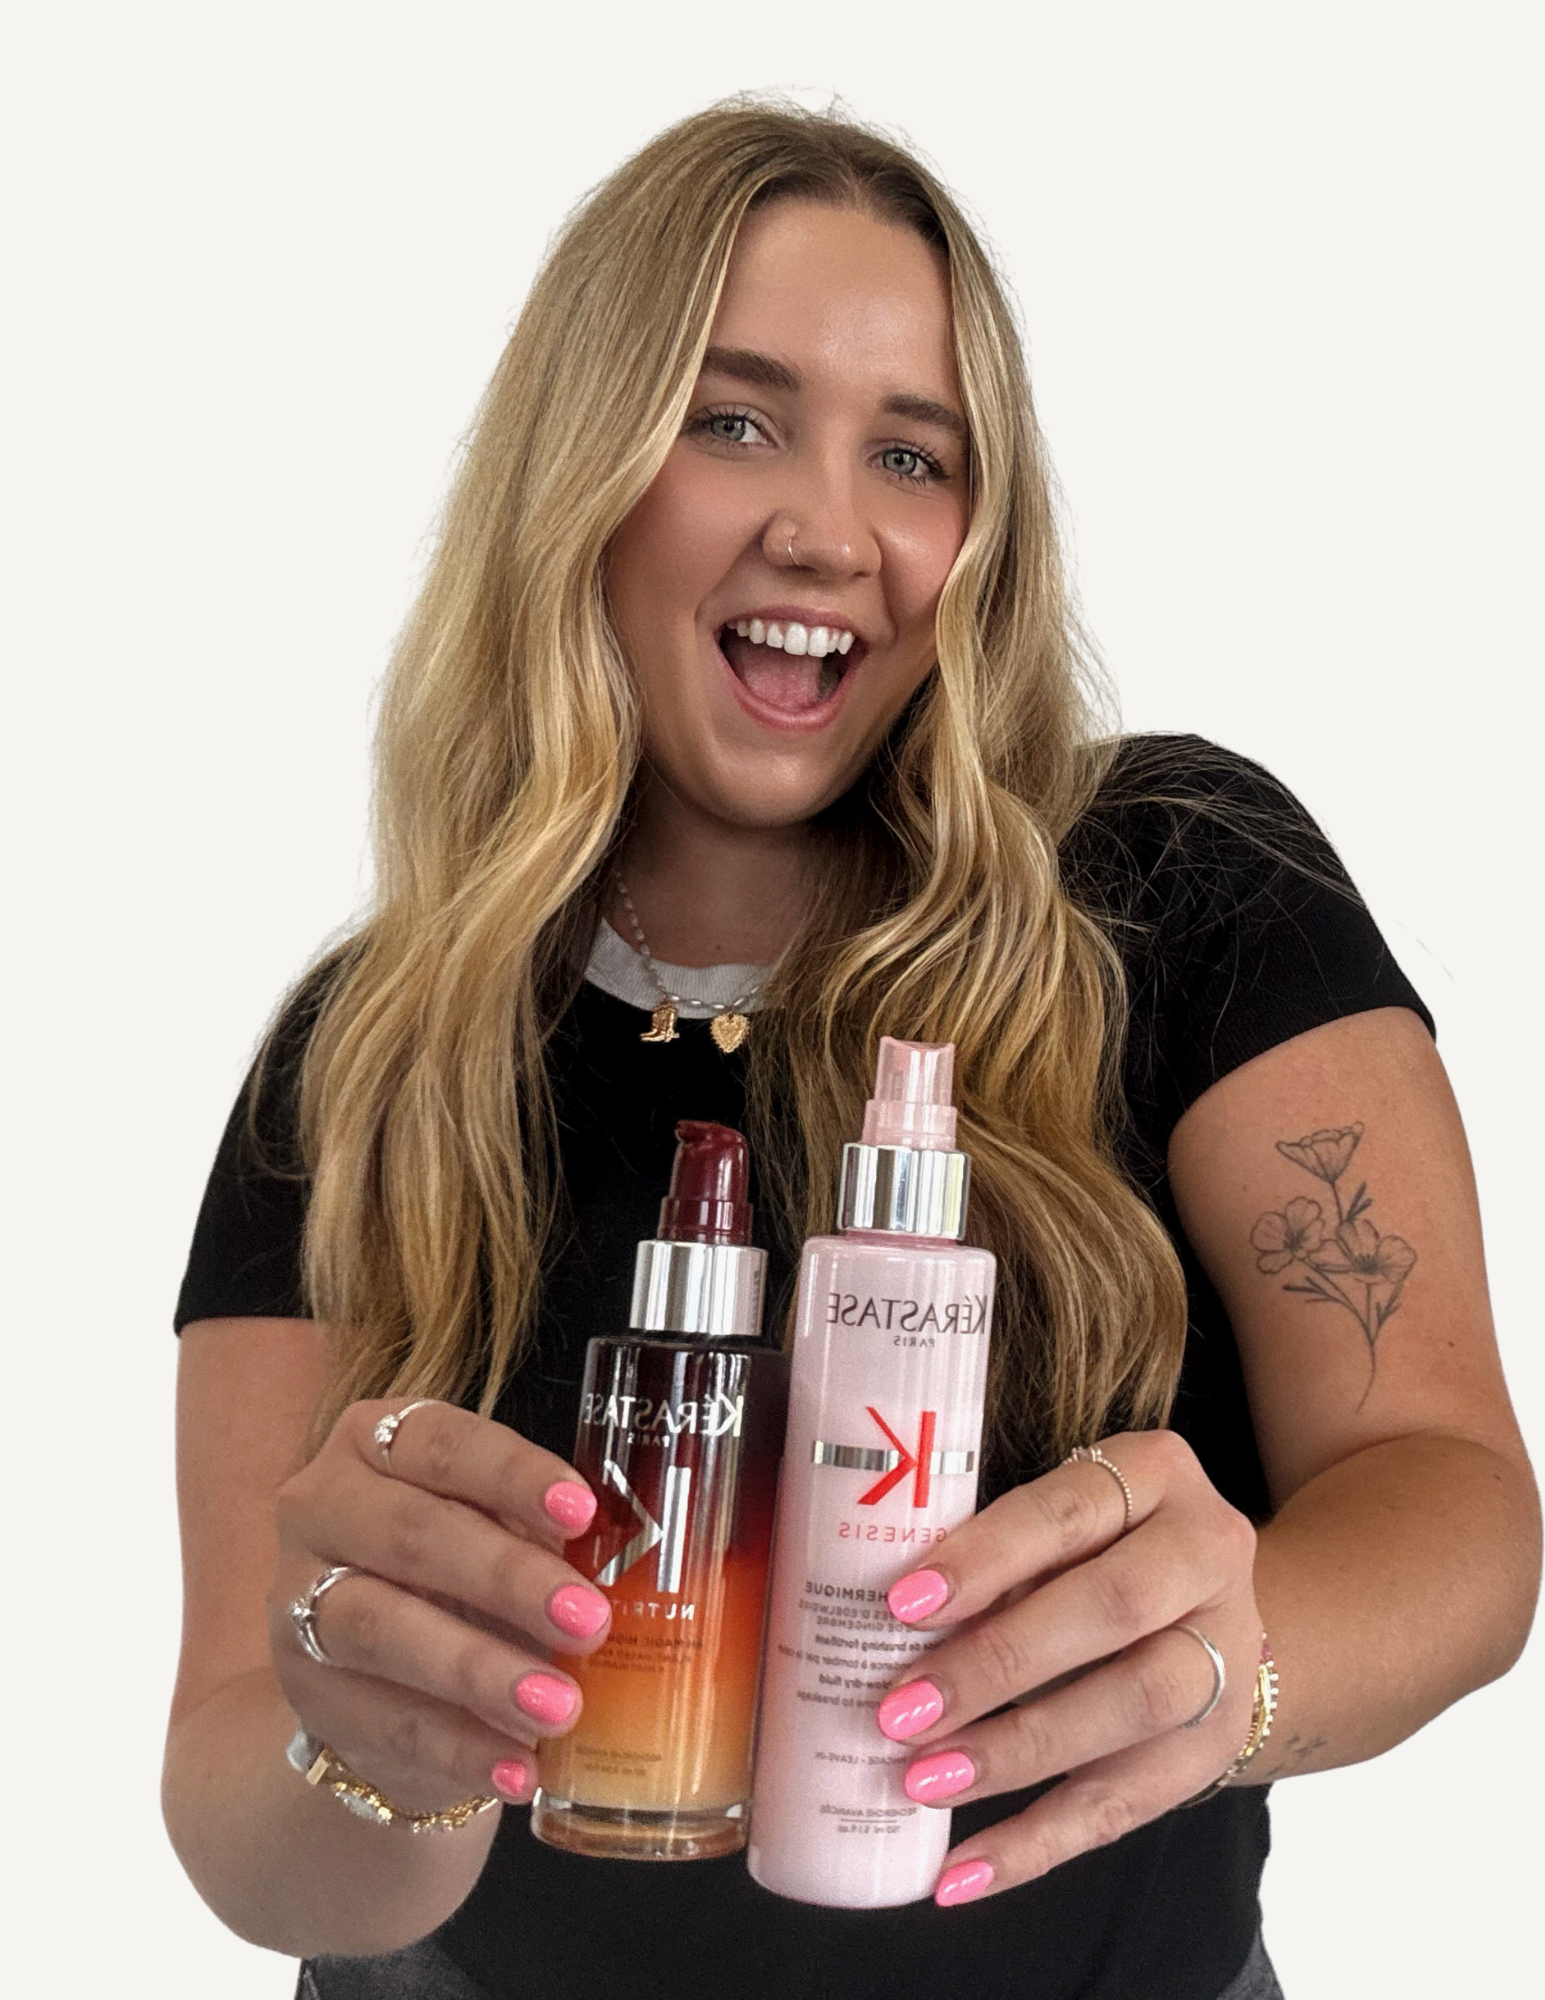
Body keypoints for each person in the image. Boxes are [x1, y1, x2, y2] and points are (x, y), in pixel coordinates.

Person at [162, 100, 1539, 2000]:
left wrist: (1241, 1660)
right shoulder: (368, 1053)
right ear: (585, 471)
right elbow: (239, 1810)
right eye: (732, 420)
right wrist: (371, 1749)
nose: (830, 527)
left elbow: (1448, 1492)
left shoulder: (1181, 886)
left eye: (915, 454)